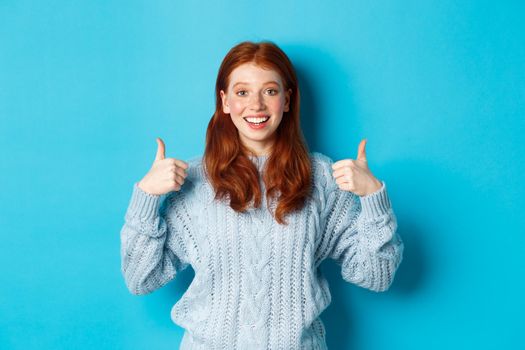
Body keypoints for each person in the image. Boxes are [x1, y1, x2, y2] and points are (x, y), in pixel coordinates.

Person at [120, 40, 404, 350]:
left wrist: (373, 198)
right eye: (242, 92)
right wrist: (146, 197)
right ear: (225, 101)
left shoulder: (321, 178)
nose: (256, 105)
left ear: (286, 100)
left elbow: (377, 276)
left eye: (269, 91)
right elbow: (140, 279)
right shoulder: (194, 181)